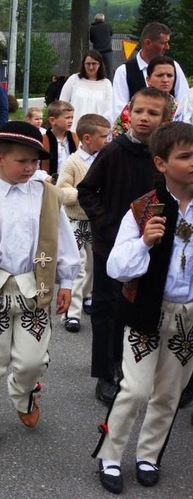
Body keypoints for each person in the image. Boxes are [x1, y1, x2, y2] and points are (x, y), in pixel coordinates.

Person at [0, 121, 80, 453]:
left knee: (32, 361)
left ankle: (23, 393)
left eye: (35, 161)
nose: (30, 168)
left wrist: (67, 284)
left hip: (35, 291)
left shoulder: (48, 196)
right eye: (22, 161)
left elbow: (65, 242)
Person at [92, 121, 193, 494]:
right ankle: (111, 455)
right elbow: (116, 268)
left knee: (169, 393)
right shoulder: (143, 207)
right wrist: (145, 244)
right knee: (134, 390)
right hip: (146, 313)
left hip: (187, 317)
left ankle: (149, 455)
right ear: (161, 163)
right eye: (185, 156)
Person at [77, 87, 170, 406]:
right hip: (111, 247)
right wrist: (106, 226)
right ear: (129, 111)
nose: (145, 118)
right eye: (140, 111)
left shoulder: (163, 156)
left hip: (151, 246)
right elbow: (86, 191)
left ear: (164, 117)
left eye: (153, 113)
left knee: (144, 306)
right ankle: (106, 373)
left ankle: (140, 368)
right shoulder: (114, 151)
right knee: (107, 309)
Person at [55, 114, 111, 333]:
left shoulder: (104, 158)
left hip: (95, 221)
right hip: (76, 220)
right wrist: (83, 194)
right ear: (87, 138)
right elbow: (61, 189)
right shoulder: (73, 162)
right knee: (78, 265)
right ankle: (72, 312)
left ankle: (87, 295)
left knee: (92, 266)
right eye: (103, 137)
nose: (107, 140)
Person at [112, 22, 188, 122]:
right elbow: (119, 110)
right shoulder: (124, 71)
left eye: (169, 76)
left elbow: (185, 102)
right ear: (148, 43)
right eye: (163, 43)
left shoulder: (174, 67)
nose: (167, 47)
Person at [113, 56, 179, 138]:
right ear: (148, 80)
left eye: (169, 75)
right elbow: (118, 134)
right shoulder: (134, 105)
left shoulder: (180, 109)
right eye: (160, 75)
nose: (165, 80)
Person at [59, 50, 113, 131]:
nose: (91, 67)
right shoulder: (74, 79)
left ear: (100, 65)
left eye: (94, 63)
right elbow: (62, 103)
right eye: (88, 64)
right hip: (74, 129)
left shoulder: (106, 84)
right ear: (83, 64)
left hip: (96, 130)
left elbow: (108, 110)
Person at [40, 100, 78, 179]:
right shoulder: (43, 140)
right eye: (67, 118)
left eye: (72, 117)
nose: (70, 121)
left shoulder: (75, 138)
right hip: (50, 183)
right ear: (53, 120)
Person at [90, 13, 114, 78]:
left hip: (97, 52)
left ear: (96, 20)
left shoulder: (93, 29)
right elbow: (111, 34)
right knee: (109, 71)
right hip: (108, 51)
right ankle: (110, 85)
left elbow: (91, 39)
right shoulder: (108, 26)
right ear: (103, 19)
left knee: (97, 70)